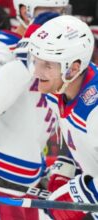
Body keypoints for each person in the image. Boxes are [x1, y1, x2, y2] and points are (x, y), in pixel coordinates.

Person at [0, 0, 69, 219]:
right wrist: (29, 55)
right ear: (24, 11)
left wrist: (64, 168)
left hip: (29, 188)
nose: (54, 18)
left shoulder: (62, 58)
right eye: (46, 11)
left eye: (59, 11)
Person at [27, 15, 97, 220]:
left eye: (47, 65)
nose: (36, 73)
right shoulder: (59, 89)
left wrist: (77, 198)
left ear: (74, 68)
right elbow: (75, 134)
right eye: (36, 61)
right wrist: (64, 166)